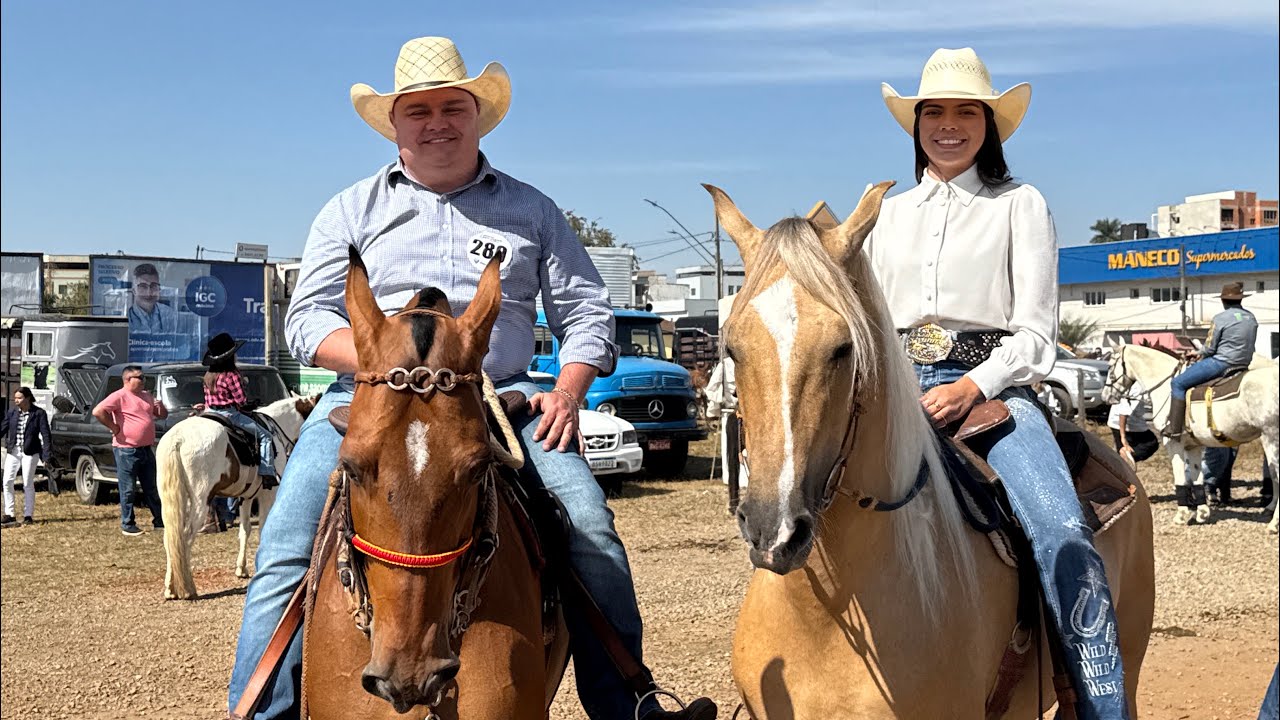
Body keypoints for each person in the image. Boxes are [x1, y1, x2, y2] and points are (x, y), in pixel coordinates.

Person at [227, 37, 716, 720]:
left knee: (590, 528)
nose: (437, 123)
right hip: (366, 398)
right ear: (394, 123)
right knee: (285, 547)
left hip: (500, 400)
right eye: (418, 111)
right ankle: (258, 713)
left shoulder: (533, 212)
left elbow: (585, 315)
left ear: (477, 114)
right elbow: (305, 318)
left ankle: (629, 707)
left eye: (452, 107)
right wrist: (381, 363)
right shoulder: (350, 211)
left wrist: (569, 392)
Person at [865, 47, 1130, 719]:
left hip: (993, 390)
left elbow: (1037, 335)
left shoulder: (1020, 203)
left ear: (990, 123)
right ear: (915, 123)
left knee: (1061, 527)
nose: (948, 126)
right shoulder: (885, 214)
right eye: (935, 112)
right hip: (895, 390)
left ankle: (1095, 701)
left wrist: (972, 386)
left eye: (965, 112)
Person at [1167, 282, 1259, 438]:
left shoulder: (1220, 318)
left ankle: (1174, 429)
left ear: (1223, 301)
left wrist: (1197, 353)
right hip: (1244, 363)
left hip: (1222, 363)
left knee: (1178, 383)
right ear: (1240, 300)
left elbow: (1210, 348)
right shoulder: (1250, 317)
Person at [191, 333, 277, 487]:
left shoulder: (208, 375)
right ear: (230, 357)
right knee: (265, 436)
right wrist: (250, 404)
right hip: (230, 415)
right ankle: (267, 472)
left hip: (209, 413)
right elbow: (241, 401)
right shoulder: (231, 375)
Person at [93, 365, 167, 536]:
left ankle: (159, 521)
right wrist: (114, 427)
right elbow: (98, 411)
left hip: (146, 449)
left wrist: (160, 406)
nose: (143, 380)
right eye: (139, 377)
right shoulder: (119, 396)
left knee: (152, 487)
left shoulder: (146, 396)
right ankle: (128, 524)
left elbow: (162, 415)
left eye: (143, 377)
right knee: (128, 488)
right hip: (126, 450)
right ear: (127, 380)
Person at [2, 387, 54, 527]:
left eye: (19, 398)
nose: (16, 401)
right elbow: (4, 427)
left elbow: (45, 435)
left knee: (27, 483)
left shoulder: (38, 413)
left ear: (28, 398)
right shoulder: (13, 412)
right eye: (15, 398)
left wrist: (47, 455)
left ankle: (28, 515)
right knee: (7, 481)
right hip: (14, 450)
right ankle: (9, 513)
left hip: (30, 452)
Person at [1107, 382, 1158, 470]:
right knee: (1151, 443)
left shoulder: (1131, 383)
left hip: (1117, 422)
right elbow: (1123, 413)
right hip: (1127, 425)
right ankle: (1125, 459)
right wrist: (1123, 437)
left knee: (1123, 458)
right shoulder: (1136, 387)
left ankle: (1123, 460)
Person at [127, 263, 178, 334]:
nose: (149, 293)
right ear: (134, 291)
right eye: (143, 286)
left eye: (153, 286)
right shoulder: (126, 316)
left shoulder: (169, 314)